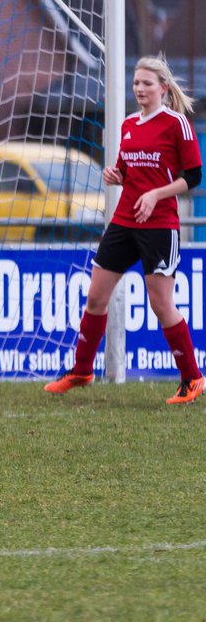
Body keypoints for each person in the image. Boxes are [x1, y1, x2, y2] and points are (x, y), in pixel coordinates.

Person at [45, 55, 204, 403]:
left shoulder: (177, 123)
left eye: (147, 83)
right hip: (124, 220)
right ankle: (82, 371)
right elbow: (126, 170)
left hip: (159, 225)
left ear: (163, 87)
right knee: (96, 296)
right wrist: (115, 175)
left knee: (161, 303)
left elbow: (193, 177)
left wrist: (156, 195)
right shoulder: (129, 124)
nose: (140, 89)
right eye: (136, 83)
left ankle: (192, 378)